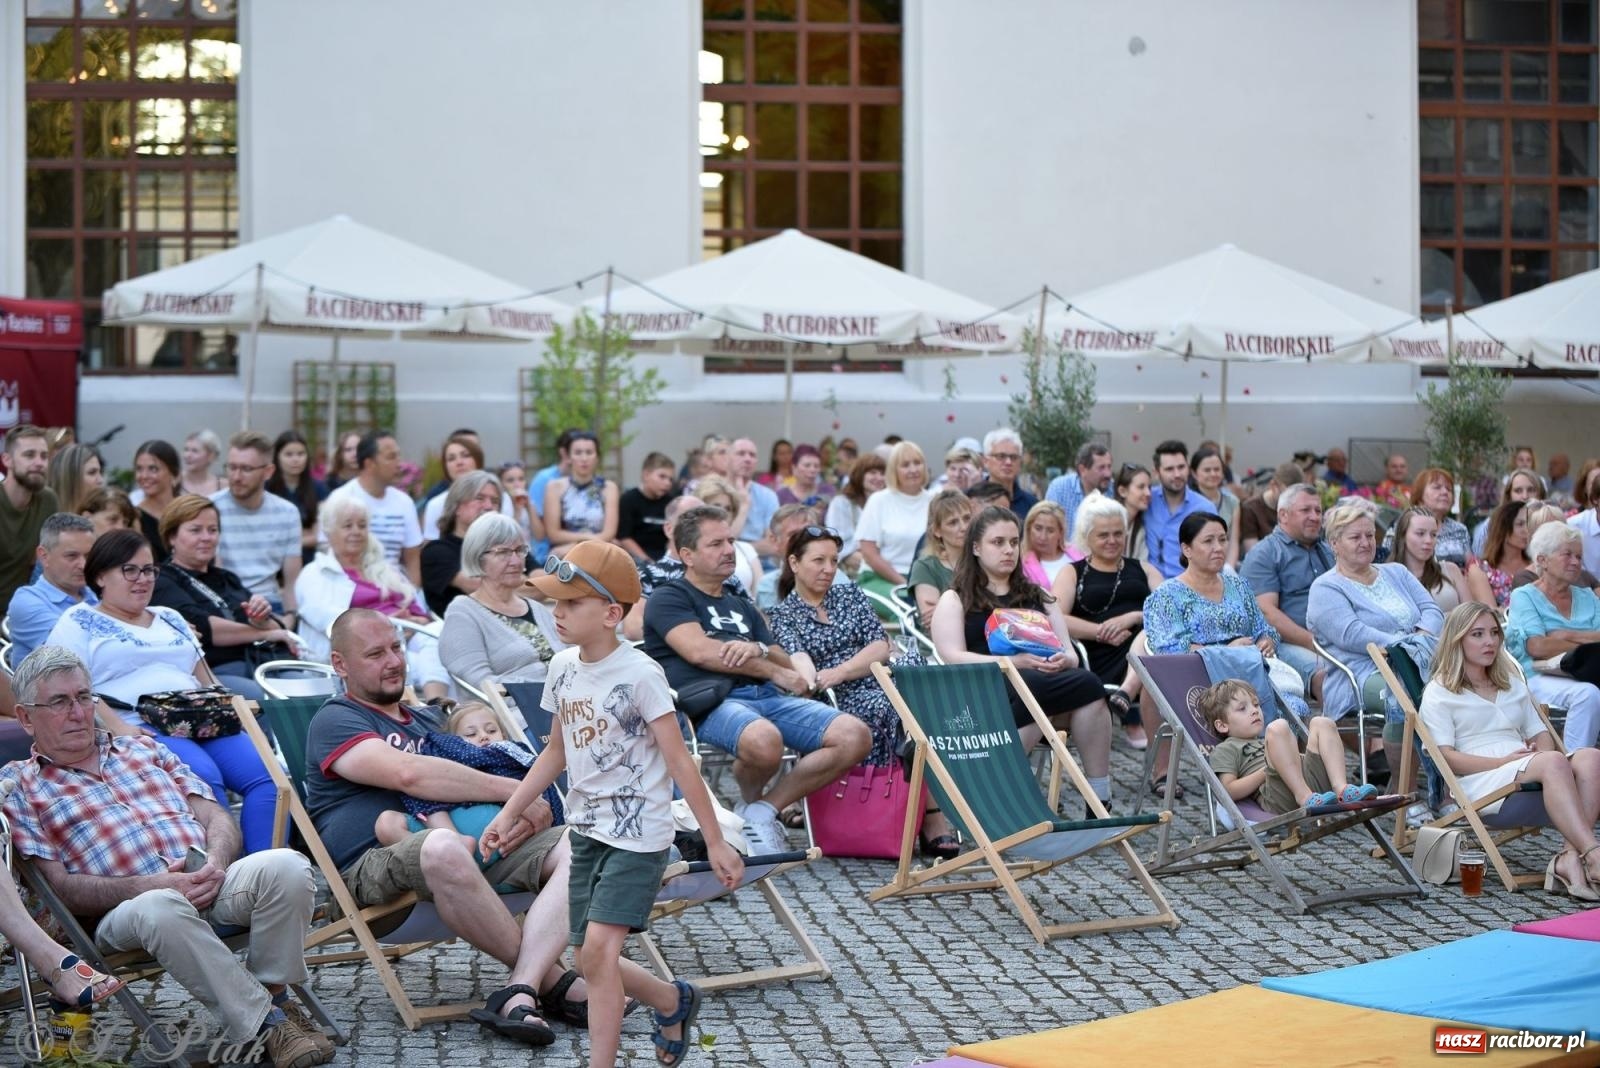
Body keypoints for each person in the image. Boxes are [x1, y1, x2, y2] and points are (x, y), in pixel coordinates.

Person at [3, 646, 334, 1066]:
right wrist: (151, 885)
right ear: (26, 716)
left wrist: (216, 859)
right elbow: (61, 891)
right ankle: (267, 1027)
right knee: (161, 905)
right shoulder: (20, 787)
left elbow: (215, 814)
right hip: (125, 913)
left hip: (208, 881)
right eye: (59, 702)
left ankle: (276, 997)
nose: (77, 712)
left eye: (84, 697)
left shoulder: (145, 750)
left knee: (285, 865)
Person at [481, 541, 740, 1067]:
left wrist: (715, 840)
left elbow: (681, 763)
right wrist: (508, 813)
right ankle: (672, 999)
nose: (556, 613)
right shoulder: (562, 668)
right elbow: (554, 751)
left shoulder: (641, 674)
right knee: (587, 955)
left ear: (611, 613)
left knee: (597, 952)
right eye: (554, 603)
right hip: (585, 834)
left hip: (639, 837)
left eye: (571, 604)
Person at [304, 609, 597, 1046]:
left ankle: (521, 988)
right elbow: (409, 776)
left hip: (472, 851)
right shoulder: (338, 720)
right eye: (374, 654)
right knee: (440, 844)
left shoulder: (428, 719)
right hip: (376, 865)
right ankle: (556, 984)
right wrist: (514, 793)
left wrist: (519, 815)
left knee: (584, 844)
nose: (393, 661)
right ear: (340, 664)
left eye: (396, 648)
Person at [642, 504, 871, 854]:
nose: (729, 550)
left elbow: (781, 654)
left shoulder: (740, 603)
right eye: (716, 543)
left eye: (731, 540)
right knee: (765, 741)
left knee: (854, 735)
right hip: (710, 702)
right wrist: (771, 667)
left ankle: (761, 811)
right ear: (687, 555)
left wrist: (758, 652)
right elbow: (702, 653)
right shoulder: (669, 597)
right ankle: (754, 814)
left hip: (767, 697)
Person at [46, 525, 279, 838]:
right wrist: (119, 729)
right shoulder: (78, 620)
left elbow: (206, 678)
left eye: (148, 570)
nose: (142, 579)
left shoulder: (169, 616)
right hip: (138, 723)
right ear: (100, 576)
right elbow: (74, 689)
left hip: (199, 717)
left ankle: (267, 870)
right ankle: (230, 876)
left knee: (269, 779)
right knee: (203, 777)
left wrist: (231, 708)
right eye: (129, 570)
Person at [768, 525, 958, 858]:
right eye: (819, 560)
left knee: (919, 684)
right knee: (901, 707)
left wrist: (840, 670)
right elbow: (803, 668)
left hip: (875, 680)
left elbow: (880, 646)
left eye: (834, 560)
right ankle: (932, 814)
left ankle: (926, 809)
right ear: (794, 563)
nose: (829, 569)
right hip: (836, 701)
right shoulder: (784, 615)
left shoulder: (850, 595)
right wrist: (823, 676)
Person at [929, 506, 1113, 806]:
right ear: (976, 547)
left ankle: (1098, 797)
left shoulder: (1038, 594)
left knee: (1090, 684)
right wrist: (1010, 663)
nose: (1008, 550)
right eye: (997, 542)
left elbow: (1069, 652)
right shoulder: (956, 598)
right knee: (1034, 686)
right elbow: (951, 656)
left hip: (1042, 681)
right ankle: (1006, 786)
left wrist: (1065, 660)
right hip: (984, 688)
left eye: (1014, 542)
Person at [1421, 602, 1600, 899]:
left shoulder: (1510, 682)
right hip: (1482, 782)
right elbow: (1447, 759)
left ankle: (1570, 858)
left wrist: (1539, 755)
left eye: (1493, 633)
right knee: (1553, 762)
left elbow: (1541, 734)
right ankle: (1593, 854)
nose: (1490, 641)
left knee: (1592, 757)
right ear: (1457, 639)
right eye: (1477, 634)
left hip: (1529, 769)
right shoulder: (1440, 693)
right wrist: (1504, 761)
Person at [1306, 504, 1444, 781]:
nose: (1366, 543)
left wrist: (1417, 641)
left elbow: (1433, 611)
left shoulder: (1396, 572)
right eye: (1355, 537)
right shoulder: (1326, 587)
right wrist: (1407, 644)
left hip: (1420, 660)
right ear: (1334, 543)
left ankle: (1460, 779)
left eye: (1370, 536)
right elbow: (1353, 633)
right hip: (1362, 672)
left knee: (1456, 687)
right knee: (1405, 693)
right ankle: (1403, 786)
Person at [297, 494, 450, 701]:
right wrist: (389, 628)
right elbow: (330, 623)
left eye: (362, 525)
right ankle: (438, 705)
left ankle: (437, 705)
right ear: (329, 532)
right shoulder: (315, 573)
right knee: (431, 662)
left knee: (440, 633)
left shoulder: (383, 568)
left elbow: (419, 612)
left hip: (409, 636)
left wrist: (412, 622)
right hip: (366, 651)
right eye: (347, 525)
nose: (356, 532)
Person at [151, 494, 296, 701]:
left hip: (262, 662)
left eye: (213, 530)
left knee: (311, 689)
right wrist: (261, 633)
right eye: (195, 530)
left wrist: (261, 618)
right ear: (171, 537)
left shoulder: (226, 577)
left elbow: (277, 629)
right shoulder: (162, 579)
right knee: (262, 698)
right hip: (214, 672)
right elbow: (206, 629)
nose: (206, 537)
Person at [1054, 493, 1164, 750]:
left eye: (1118, 533)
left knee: (1150, 638)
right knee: (1149, 648)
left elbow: (1167, 610)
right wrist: (1101, 631)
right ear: (1087, 537)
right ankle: (1128, 695)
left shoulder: (1144, 569)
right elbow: (1056, 618)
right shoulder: (1073, 572)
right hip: (1097, 657)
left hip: (1147, 650)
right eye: (1103, 535)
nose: (1112, 540)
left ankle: (1127, 691)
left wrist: (1133, 617)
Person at [1203, 679, 1377, 813]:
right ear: (1222, 725)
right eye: (1242, 709)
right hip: (1278, 797)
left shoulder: (1267, 739)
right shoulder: (1227, 748)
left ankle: (1341, 788)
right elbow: (1228, 791)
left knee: (1322, 722)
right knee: (1278, 727)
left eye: (1256, 705)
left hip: (1312, 788)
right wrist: (1268, 770)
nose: (1254, 710)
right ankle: (1304, 796)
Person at [439, 512, 567, 694]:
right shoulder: (463, 612)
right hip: (514, 715)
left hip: (568, 709)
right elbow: (482, 685)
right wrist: (543, 693)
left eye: (519, 551)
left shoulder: (536, 608)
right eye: (503, 552)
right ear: (477, 557)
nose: (515, 561)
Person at [1505, 522, 1600, 753]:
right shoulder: (1524, 596)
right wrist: (1589, 641)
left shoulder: (1587, 596)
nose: (1576, 562)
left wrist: (1567, 634)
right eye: (1567, 554)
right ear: (1542, 560)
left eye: (1579, 556)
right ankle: (1576, 767)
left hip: (1589, 671)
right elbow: (1537, 646)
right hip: (1538, 675)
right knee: (1587, 694)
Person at [1240, 483, 1334, 701]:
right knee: (1328, 677)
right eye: (1305, 510)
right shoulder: (1266, 553)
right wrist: (1315, 643)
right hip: (1283, 643)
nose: (1314, 517)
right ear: (1283, 515)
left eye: (1318, 510)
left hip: (1335, 640)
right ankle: (1327, 735)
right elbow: (1267, 614)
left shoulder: (1328, 550)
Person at [210, 431, 304, 620]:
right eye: (231, 467)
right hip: (227, 604)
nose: (236, 476)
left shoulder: (287, 513)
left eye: (246, 469)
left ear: (268, 472)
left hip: (271, 605)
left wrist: (290, 617)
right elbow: (215, 576)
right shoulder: (210, 509)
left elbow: (292, 582)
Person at [325, 429, 424, 587]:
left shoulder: (404, 502)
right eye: (391, 457)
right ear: (369, 464)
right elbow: (326, 552)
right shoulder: (340, 499)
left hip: (396, 590)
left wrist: (414, 595)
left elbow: (412, 559)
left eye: (398, 455)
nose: (399, 463)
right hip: (351, 588)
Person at [8, 513, 98, 663]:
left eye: (89, 556)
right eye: (72, 556)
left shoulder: (96, 594)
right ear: (44, 556)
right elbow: (73, 655)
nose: (83, 565)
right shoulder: (26, 601)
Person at [855, 440, 934, 601]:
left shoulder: (935, 501)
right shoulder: (879, 500)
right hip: (878, 579)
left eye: (917, 463)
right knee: (909, 603)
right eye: (905, 465)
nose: (913, 469)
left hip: (924, 580)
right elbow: (869, 553)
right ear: (894, 470)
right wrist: (904, 583)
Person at [421, 470, 506, 617]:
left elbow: (542, 580)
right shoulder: (436, 551)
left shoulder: (509, 547)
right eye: (480, 498)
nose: (488, 506)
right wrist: (523, 582)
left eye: (495, 501)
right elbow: (479, 587)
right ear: (457, 507)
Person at [0, 425, 59, 616]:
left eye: (44, 456)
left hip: (27, 611)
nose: (39, 462)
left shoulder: (48, 500)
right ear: (7, 460)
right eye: (29, 455)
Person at [1144, 441, 1212, 580]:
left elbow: (1212, 556)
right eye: (1169, 469)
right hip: (1148, 586)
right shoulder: (1145, 501)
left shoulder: (1205, 508)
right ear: (1156, 472)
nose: (1177, 474)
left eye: (1181, 467)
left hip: (1191, 588)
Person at [543, 431, 619, 554]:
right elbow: (553, 534)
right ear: (568, 457)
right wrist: (586, 539)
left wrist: (590, 544)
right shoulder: (554, 487)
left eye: (589, 453)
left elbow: (609, 533)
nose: (584, 458)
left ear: (597, 457)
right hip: (566, 549)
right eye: (578, 453)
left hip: (600, 547)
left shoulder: (609, 488)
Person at [422, 433, 509, 541]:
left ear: (478, 460)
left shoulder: (501, 496)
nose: (459, 462)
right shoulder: (435, 504)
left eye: (465, 455)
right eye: (451, 458)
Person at [1390, 506, 1474, 613]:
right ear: (1403, 535)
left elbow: (1472, 616)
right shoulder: (1388, 577)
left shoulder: (1451, 570)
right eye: (1420, 533)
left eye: (1433, 534)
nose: (1428, 540)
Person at [908, 489, 972, 630]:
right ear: (937, 530)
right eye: (953, 522)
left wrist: (948, 610)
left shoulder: (983, 559)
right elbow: (934, 623)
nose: (964, 527)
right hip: (937, 647)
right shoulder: (925, 567)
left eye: (967, 518)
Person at [266, 430, 327, 567]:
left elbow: (320, 535)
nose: (296, 459)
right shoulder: (266, 488)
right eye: (289, 454)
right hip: (273, 563)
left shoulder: (319, 488)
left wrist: (286, 539)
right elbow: (267, 535)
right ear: (277, 457)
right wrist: (305, 533)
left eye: (301, 454)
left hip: (310, 563)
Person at [694, 475, 762, 592]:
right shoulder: (689, 549)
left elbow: (760, 593)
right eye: (716, 506)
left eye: (728, 508)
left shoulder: (746, 549)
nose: (723, 513)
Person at [1515, 501, 1600, 591]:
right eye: (1550, 530)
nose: (1557, 533)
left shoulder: (1579, 572)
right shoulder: (1525, 579)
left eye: (1560, 528)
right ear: (1534, 535)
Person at [753, 503, 823, 611]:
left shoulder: (834, 578)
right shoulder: (769, 585)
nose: (803, 539)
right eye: (794, 535)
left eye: (808, 533)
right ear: (775, 540)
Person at [826, 452, 886, 575]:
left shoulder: (888, 505)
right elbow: (840, 545)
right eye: (873, 473)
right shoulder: (841, 503)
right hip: (849, 572)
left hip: (882, 564)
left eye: (882, 474)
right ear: (860, 474)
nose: (879, 478)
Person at [616, 452, 680, 563]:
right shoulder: (628, 499)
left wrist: (668, 560)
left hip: (665, 557)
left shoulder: (671, 502)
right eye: (662, 476)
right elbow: (624, 538)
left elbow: (674, 536)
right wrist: (647, 561)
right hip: (635, 558)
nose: (667, 483)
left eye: (670, 479)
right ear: (646, 475)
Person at [1402, 467, 1473, 567]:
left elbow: (1471, 567)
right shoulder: (1402, 525)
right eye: (1437, 487)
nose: (1445, 492)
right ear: (1420, 495)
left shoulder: (1459, 529)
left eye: (1449, 489)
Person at [1044, 442, 1113, 540]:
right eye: (1101, 468)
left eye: (1109, 467)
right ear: (1082, 470)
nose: (1108, 474)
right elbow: (1048, 529)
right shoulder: (1059, 488)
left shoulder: (1113, 490)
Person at [1188, 445, 1241, 570]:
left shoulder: (1232, 502)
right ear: (1194, 473)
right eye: (1207, 470)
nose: (1213, 474)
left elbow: (1233, 541)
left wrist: (1229, 567)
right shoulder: (1187, 502)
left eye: (1217, 469)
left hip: (1223, 565)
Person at [1470, 469, 1544, 556]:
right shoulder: (1490, 525)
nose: (1525, 496)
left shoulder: (1550, 521)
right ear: (1509, 496)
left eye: (1531, 490)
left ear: (1540, 494)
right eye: (1518, 491)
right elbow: (1480, 562)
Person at [728, 438, 782, 558]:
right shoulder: (714, 491)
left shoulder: (768, 495)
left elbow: (772, 544)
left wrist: (734, 549)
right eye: (741, 453)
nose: (747, 459)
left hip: (762, 565)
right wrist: (744, 506)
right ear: (728, 458)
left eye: (752, 455)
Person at [132, 439, 182, 563]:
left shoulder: (190, 513)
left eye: (153, 469)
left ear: (174, 474)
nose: (144, 476)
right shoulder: (134, 518)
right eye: (139, 469)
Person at [1239, 462, 1304, 555]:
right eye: (1287, 494)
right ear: (1273, 485)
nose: (1292, 500)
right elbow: (1253, 553)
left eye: (1296, 495)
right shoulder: (1251, 509)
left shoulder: (1299, 507)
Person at [1477, 500, 1531, 609]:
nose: (1527, 530)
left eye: (1528, 524)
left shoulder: (1537, 564)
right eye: (1520, 524)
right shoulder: (1481, 569)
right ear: (1503, 528)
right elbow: (1490, 613)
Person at [980, 428, 1036, 516]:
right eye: (1001, 456)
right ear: (985, 461)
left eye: (1013, 457)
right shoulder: (971, 500)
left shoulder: (1032, 505)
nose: (1008, 462)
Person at [1020, 500, 1075, 590]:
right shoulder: (1019, 561)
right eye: (1038, 528)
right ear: (1029, 528)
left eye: (1050, 530)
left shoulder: (1078, 555)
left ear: (1060, 532)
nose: (1043, 537)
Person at [45, 442, 104, 514]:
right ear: (70, 479)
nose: (100, 480)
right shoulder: (43, 520)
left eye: (100, 472)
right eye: (92, 473)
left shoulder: (102, 520)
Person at [1112, 462, 1153, 562]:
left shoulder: (1139, 529)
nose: (1148, 493)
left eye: (1149, 487)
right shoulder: (1105, 521)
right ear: (1122, 491)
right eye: (1141, 487)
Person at [776, 444, 835, 509]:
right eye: (807, 465)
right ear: (794, 468)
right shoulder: (782, 496)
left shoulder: (827, 491)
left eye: (816, 466)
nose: (812, 470)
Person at [498, 461, 542, 544]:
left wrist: (529, 507)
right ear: (501, 483)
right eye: (510, 480)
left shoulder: (529, 500)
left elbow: (539, 536)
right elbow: (507, 538)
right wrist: (517, 511)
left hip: (527, 552)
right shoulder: (500, 503)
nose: (517, 484)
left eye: (521, 479)